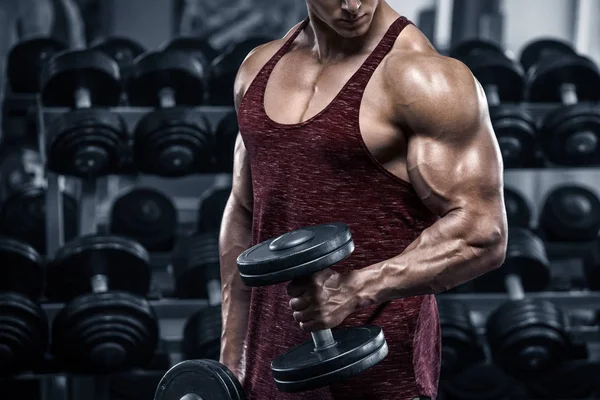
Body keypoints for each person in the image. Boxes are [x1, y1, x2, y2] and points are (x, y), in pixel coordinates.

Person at [219, 1, 508, 399]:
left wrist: (355, 289)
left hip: (381, 374)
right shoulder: (257, 71)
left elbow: (483, 233)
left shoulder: (424, 79)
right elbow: (244, 211)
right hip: (270, 371)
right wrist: (232, 358)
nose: (353, 4)